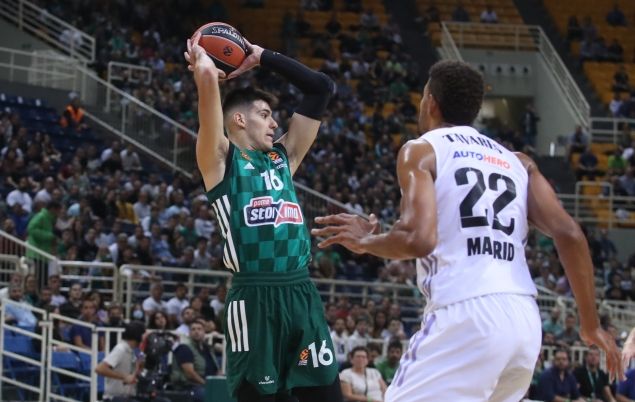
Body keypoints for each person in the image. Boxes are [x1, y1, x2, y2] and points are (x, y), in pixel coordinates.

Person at [312, 60, 622, 401]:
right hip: (524, 320)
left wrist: (367, 241)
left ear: (431, 102)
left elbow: (418, 239)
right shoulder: (518, 161)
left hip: (466, 313)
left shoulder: (422, 150)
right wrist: (590, 324)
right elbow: (571, 235)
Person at [184, 29, 341, 402]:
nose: (274, 124)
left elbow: (320, 88)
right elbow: (207, 88)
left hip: (301, 293)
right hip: (254, 300)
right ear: (239, 120)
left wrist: (262, 56)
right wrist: (205, 67)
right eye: (266, 115)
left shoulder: (284, 158)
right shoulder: (220, 161)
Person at [170, 319, 219, 402]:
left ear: (204, 332)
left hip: (208, 384)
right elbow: (190, 374)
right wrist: (206, 384)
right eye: (193, 329)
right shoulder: (184, 348)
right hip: (190, 386)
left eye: (199, 329)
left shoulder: (208, 349)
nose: (196, 332)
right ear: (189, 333)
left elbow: (216, 369)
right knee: (208, 395)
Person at [95, 321, 145, 402]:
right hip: (113, 398)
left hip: (128, 396)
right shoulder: (120, 349)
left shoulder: (134, 351)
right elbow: (100, 369)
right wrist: (124, 376)